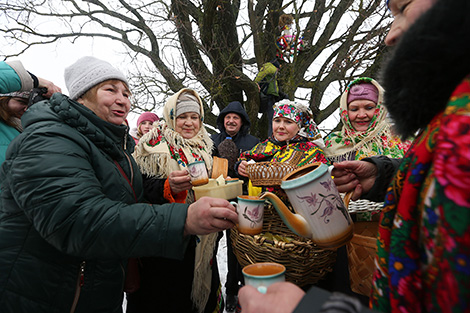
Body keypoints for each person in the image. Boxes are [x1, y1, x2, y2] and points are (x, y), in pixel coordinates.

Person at [239, 0, 470, 312]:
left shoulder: (436, 132)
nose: (390, 35)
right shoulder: (436, 127)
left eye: (403, 8)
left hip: (371, 247)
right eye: (353, 108)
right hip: (343, 253)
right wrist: (382, 175)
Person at [0, 56, 238, 312]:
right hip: (49, 292)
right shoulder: (50, 138)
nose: (122, 99)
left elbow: (127, 200)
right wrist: (178, 209)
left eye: (126, 93)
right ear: (82, 95)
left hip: (100, 280)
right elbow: (79, 219)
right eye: (110, 89)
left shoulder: (114, 145)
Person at [129, 88, 224, 313]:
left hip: (203, 241)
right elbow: (137, 189)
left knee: (199, 299)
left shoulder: (209, 147)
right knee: (168, 300)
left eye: (194, 117)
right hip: (165, 244)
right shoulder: (150, 147)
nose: (189, 123)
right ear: (171, 116)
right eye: (182, 117)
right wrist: (167, 187)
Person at [210, 100, 260, 311]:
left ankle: (233, 291)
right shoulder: (210, 141)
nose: (231, 120)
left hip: (242, 202)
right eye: (227, 117)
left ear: (242, 122)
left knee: (236, 249)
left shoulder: (254, 142)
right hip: (214, 199)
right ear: (222, 121)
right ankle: (211, 291)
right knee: (209, 247)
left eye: (235, 118)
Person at [237, 99, 329, 186]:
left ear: (299, 127)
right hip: (255, 201)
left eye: (288, 122)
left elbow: (326, 181)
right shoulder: (263, 146)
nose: (281, 126)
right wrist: (240, 166)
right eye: (277, 121)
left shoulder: (313, 152)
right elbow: (245, 159)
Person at [324, 77, 410, 163]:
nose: (361, 115)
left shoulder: (402, 138)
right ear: (345, 112)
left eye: (369, 108)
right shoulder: (330, 144)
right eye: (354, 109)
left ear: (381, 109)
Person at [254, 59, 286, 137]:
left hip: (271, 97)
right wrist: (255, 83)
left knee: (272, 117)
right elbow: (260, 75)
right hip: (269, 97)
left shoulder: (270, 69)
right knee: (272, 119)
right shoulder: (271, 68)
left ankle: (272, 135)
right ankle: (272, 136)